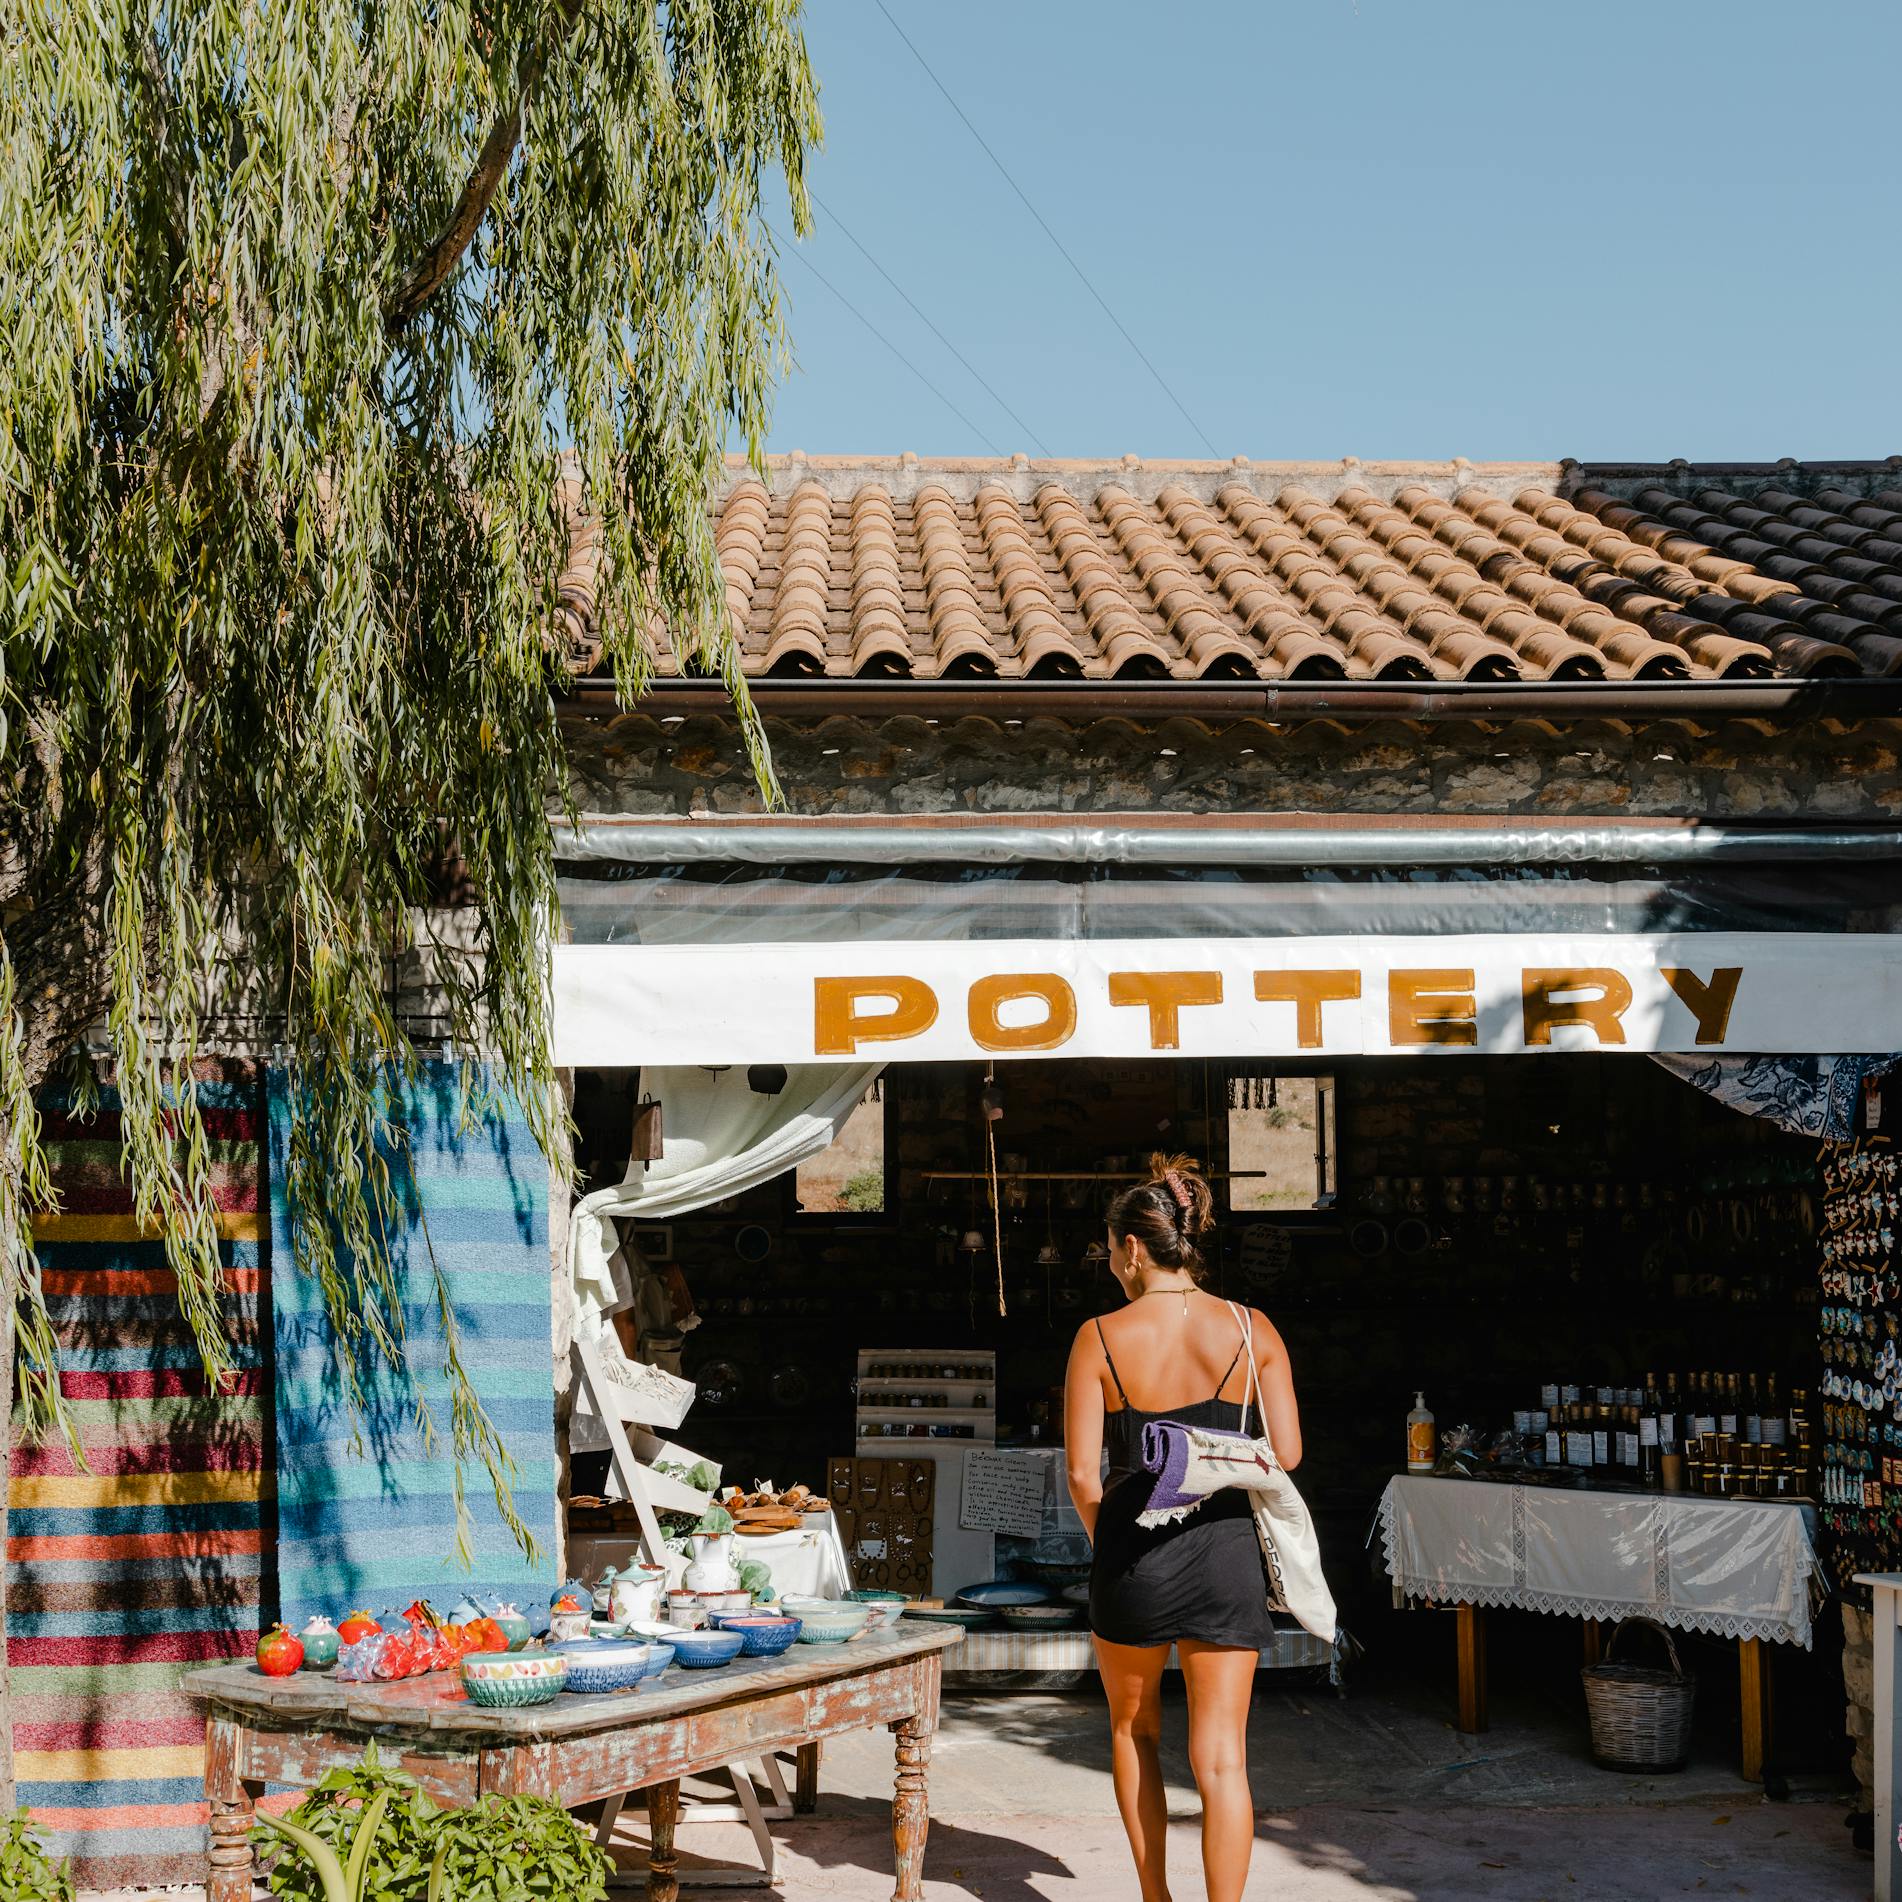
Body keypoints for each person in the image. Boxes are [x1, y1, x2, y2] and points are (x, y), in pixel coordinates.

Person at [1064, 1153, 1302, 1902]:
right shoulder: (1251, 1326)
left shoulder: (1097, 1337)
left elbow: (1079, 1474)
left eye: (1110, 1249)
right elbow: (1287, 1453)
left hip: (1132, 1550)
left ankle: (1155, 1899)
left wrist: (1119, 1542)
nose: (1110, 1265)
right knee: (1223, 1758)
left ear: (1134, 1247)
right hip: (1226, 1551)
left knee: (1136, 1734)